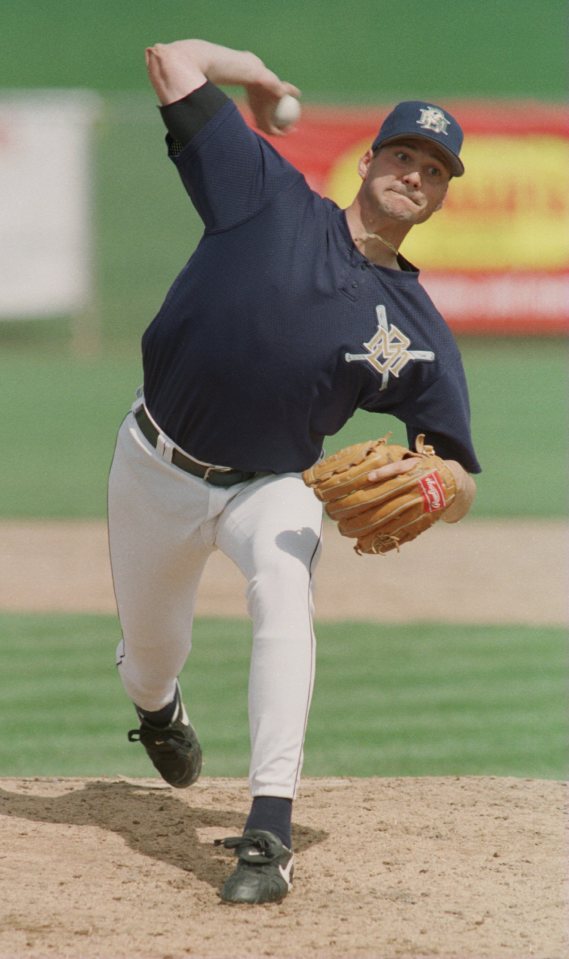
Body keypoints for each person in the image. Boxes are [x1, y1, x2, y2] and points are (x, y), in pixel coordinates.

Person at [107, 38, 480, 905]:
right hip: (153, 463)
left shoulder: (417, 327)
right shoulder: (267, 196)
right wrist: (259, 75)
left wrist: (438, 487)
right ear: (369, 160)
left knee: (285, 587)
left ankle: (267, 832)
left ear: (440, 196)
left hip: (269, 484)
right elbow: (169, 61)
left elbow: (459, 471)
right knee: (151, 657)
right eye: (402, 154)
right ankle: (159, 709)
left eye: (433, 169)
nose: (414, 174)